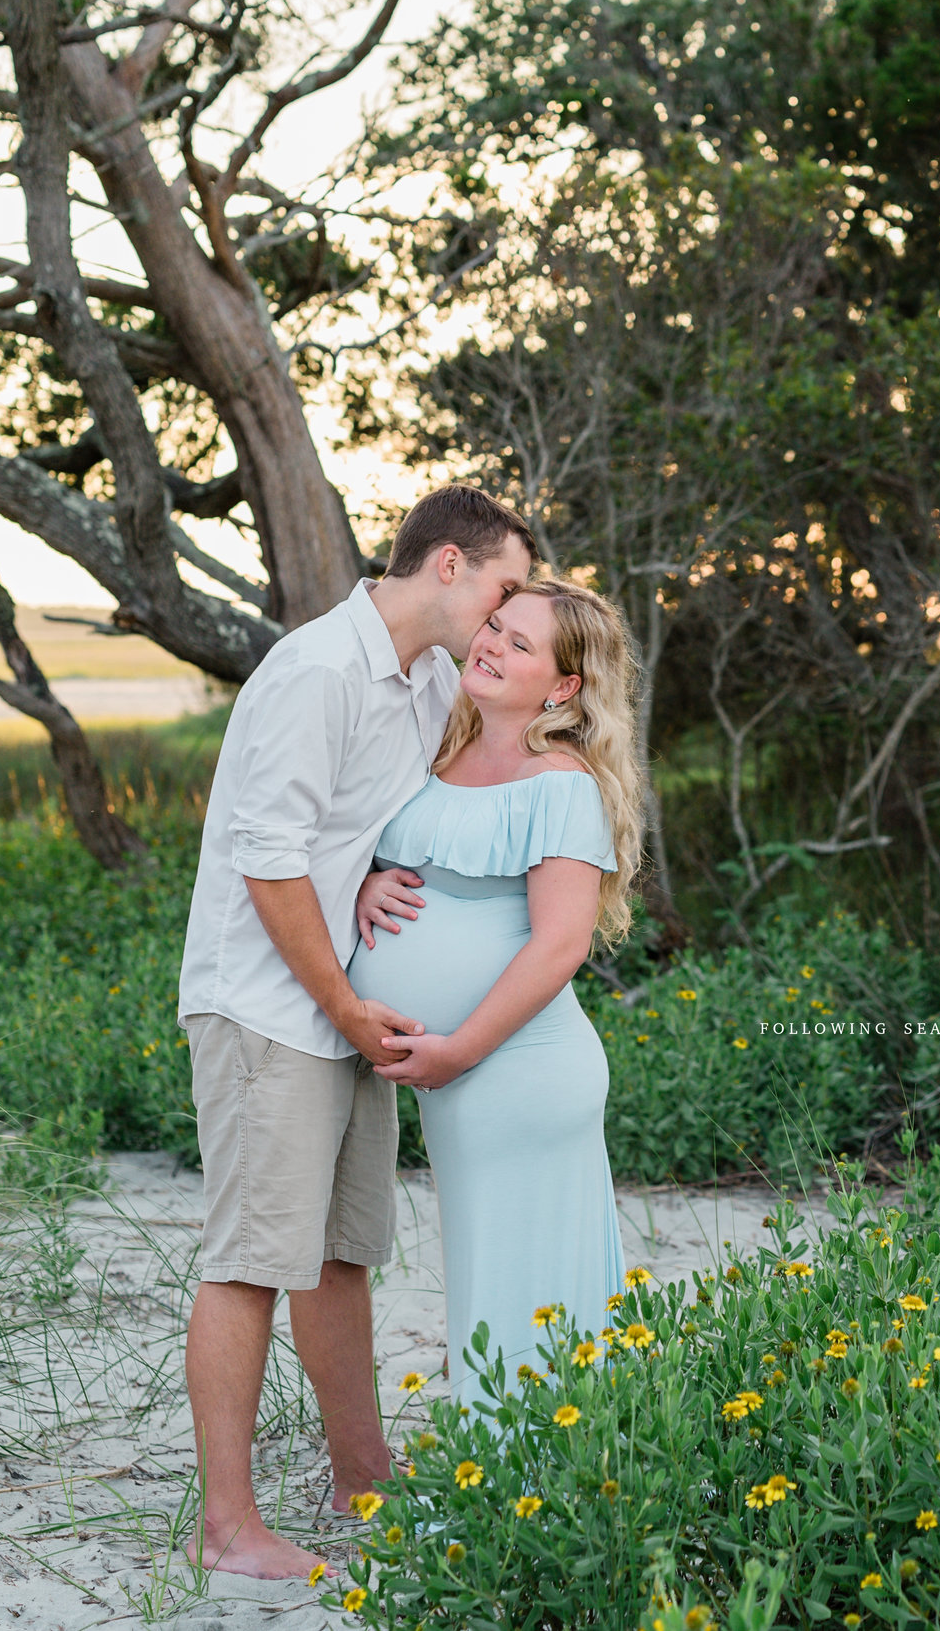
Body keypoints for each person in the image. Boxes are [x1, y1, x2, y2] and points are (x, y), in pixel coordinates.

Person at [174, 486, 537, 1579]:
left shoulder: (426, 681)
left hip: (341, 1011)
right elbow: (268, 856)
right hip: (269, 1010)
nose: (508, 612)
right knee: (249, 1260)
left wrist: (373, 871)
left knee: (340, 1257)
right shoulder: (317, 670)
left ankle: (361, 1474)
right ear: (446, 567)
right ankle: (226, 1527)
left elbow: (355, 822)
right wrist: (341, 1000)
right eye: (505, 587)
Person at [346, 577, 648, 1397]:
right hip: (459, 1075)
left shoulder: (560, 781)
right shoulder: (441, 739)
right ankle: (516, 1475)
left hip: (518, 1071)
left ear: (562, 687)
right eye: (495, 627)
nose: (491, 645)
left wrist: (458, 1051)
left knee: (522, 1280)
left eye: (521, 644)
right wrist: (363, 886)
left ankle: (536, 1479)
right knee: (486, 1265)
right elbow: (376, 848)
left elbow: (560, 945)